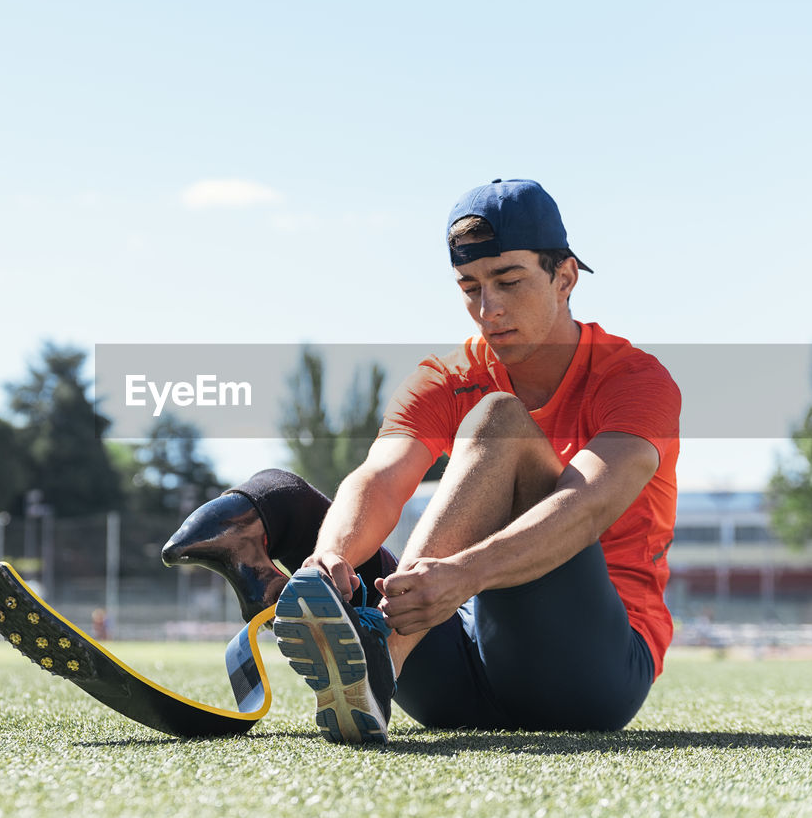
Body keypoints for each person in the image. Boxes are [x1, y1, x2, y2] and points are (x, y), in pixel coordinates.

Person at [163, 178, 680, 745]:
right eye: (470, 286)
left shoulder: (635, 381)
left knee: (498, 420)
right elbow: (380, 481)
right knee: (279, 495)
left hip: (585, 677)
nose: (489, 309)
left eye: (508, 282)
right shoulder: (445, 376)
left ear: (565, 277)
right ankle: (258, 572)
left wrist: (462, 576)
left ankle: (382, 656)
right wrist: (330, 559)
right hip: (453, 681)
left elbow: (585, 507)